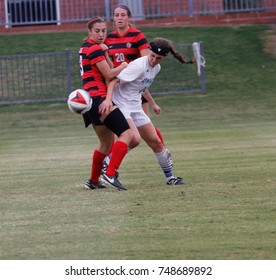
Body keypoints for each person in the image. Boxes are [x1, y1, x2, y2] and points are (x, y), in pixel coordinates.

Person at [99, 37, 185, 186]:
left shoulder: (156, 68)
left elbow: (142, 86)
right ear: (149, 52)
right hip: (122, 104)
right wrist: (108, 100)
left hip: (135, 106)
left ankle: (170, 178)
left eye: (158, 58)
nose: (153, 60)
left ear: (163, 58)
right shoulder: (138, 65)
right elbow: (113, 81)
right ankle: (108, 166)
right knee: (135, 138)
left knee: (156, 142)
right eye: (152, 56)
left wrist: (153, 103)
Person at [78, 16, 134, 191]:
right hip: (99, 99)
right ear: (89, 31)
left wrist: (106, 54)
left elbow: (106, 71)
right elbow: (110, 75)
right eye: (97, 31)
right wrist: (124, 65)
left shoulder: (85, 48)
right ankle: (110, 174)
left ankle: (93, 181)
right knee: (127, 134)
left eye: (104, 30)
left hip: (89, 102)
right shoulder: (93, 49)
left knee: (105, 143)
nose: (101, 34)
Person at [105, 4, 165, 146]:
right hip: (118, 88)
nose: (119, 18)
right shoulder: (109, 39)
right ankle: (111, 162)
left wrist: (153, 102)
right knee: (123, 131)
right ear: (113, 17)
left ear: (129, 17)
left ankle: (163, 151)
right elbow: (108, 65)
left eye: (123, 15)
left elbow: (147, 64)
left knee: (146, 125)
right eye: (116, 15)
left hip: (135, 88)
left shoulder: (137, 35)